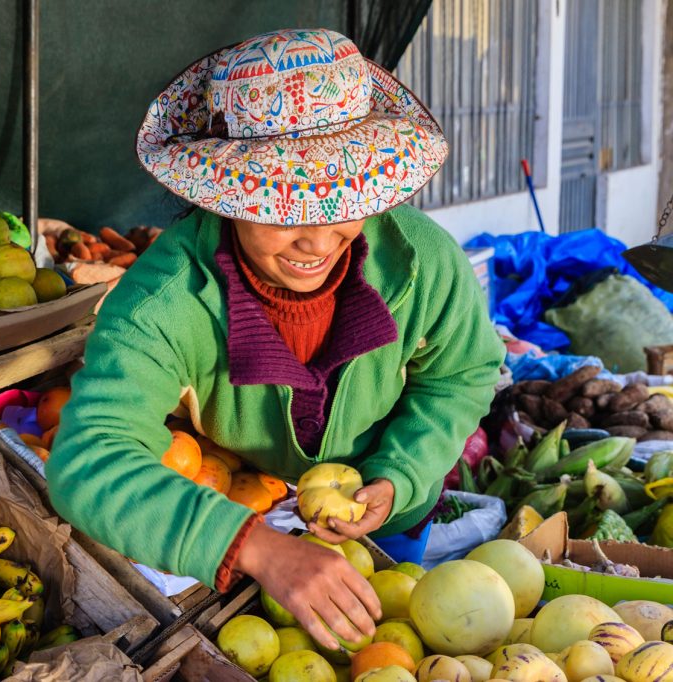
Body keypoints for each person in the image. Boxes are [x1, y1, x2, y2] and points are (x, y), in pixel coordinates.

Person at [45, 28, 504, 650]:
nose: (317, 240)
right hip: (234, 523)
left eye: (342, 201)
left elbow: (461, 374)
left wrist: (400, 475)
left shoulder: (422, 260)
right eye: (283, 209)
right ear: (224, 198)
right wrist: (254, 547)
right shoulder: (163, 300)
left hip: (389, 517)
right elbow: (89, 459)